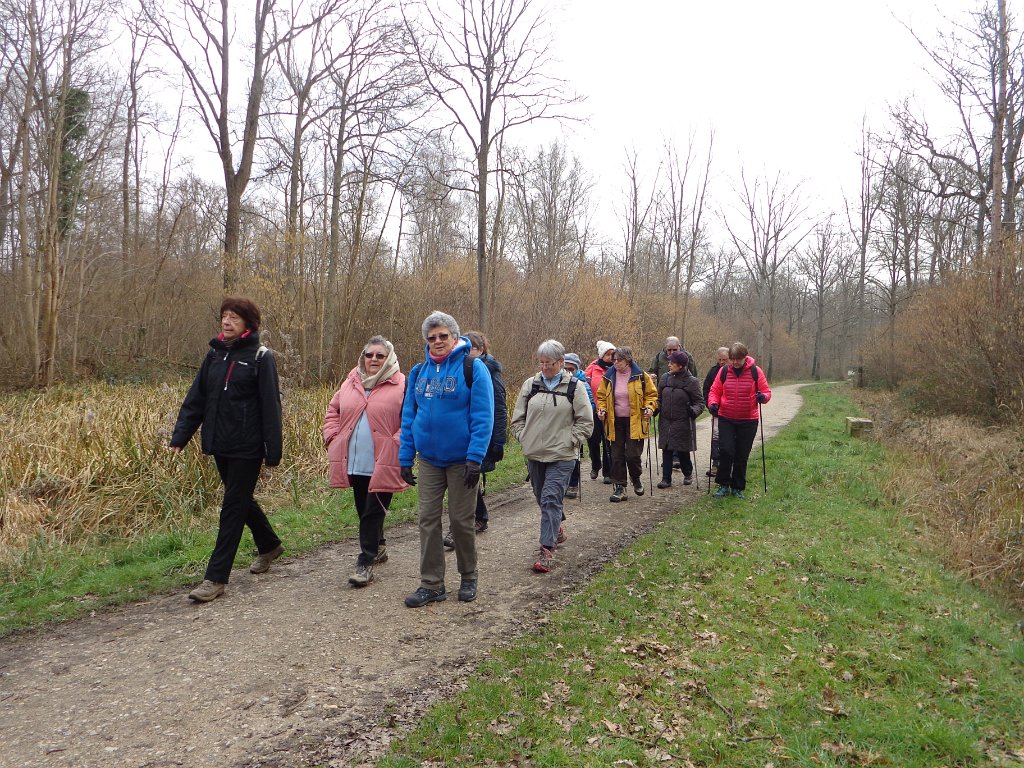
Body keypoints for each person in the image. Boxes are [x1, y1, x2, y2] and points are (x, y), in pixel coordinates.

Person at [170, 297, 284, 603]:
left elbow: (271, 407)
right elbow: (197, 398)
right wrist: (180, 436)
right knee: (240, 499)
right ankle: (269, 544)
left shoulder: (261, 358)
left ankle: (216, 578)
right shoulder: (215, 355)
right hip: (219, 443)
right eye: (224, 316)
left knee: (232, 507)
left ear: (249, 323)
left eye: (233, 317)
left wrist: (273, 450)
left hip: (248, 446)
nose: (226, 322)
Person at [399, 311, 494, 607]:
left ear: (454, 336)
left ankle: (468, 575)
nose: (438, 341)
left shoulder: (472, 368)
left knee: (460, 520)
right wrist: (405, 457)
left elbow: (483, 416)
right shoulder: (419, 372)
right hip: (429, 459)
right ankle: (432, 584)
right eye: (432, 337)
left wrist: (475, 458)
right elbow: (409, 416)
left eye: (443, 335)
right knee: (427, 519)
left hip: (461, 460)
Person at [323, 335, 409, 588]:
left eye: (380, 355)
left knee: (373, 510)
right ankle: (378, 546)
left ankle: (365, 562)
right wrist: (333, 437)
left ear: (389, 358)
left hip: (385, 459)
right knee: (363, 508)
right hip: (354, 459)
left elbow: (411, 419)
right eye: (369, 355)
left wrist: (397, 443)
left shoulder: (401, 384)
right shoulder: (351, 382)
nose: (373, 359)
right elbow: (333, 410)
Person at [510, 340, 594, 573]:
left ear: (561, 362)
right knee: (542, 497)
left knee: (550, 499)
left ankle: (546, 550)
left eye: (549, 363)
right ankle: (556, 529)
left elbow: (586, 422)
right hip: (534, 453)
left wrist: (570, 441)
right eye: (541, 362)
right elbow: (517, 419)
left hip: (562, 455)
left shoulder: (575, 387)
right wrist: (524, 437)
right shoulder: (531, 385)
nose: (544, 367)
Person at [707, 342, 771, 499]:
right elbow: (714, 391)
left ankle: (737, 487)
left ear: (745, 357)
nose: (735, 362)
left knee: (742, 455)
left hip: (748, 420)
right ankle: (723, 485)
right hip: (726, 418)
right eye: (732, 359)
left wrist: (762, 397)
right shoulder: (723, 371)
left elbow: (766, 392)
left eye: (738, 359)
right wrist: (713, 403)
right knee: (726, 451)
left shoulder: (756, 371)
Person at [595, 346, 658, 502]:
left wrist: (650, 408)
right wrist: (601, 409)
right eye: (614, 360)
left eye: (619, 360)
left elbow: (652, 395)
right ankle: (620, 487)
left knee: (632, 455)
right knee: (616, 456)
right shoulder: (608, 376)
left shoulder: (641, 376)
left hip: (635, 420)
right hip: (614, 421)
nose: (616, 363)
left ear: (628, 360)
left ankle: (635, 477)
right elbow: (601, 397)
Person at [656, 350, 704, 488]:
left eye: (672, 363)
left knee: (682, 450)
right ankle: (666, 479)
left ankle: (687, 473)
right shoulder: (664, 378)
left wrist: (693, 411)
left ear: (681, 365)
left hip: (683, 421)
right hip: (665, 420)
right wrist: (654, 408)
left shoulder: (692, 381)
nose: (669, 365)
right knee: (666, 449)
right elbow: (658, 398)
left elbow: (700, 403)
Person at [561, 352, 595, 499]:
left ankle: (573, 484)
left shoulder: (583, 384)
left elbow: (591, 405)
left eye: (571, 369)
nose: (568, 372)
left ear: (577, 369)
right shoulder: (558, 383)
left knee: (574, 456)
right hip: (561, 425)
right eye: (565, 368)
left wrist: (581, 418)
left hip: (576, 426)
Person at [584, 340, 616, 484]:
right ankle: (595, 465)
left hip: (611, 411)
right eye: (607, 354)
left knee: (608, 441)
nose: (610, 357)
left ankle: (608, 472)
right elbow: (583, 384)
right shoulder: (592, 368)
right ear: (601, 355)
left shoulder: (617, 368)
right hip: (594, 410)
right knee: (593, 440)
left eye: (612, 354)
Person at [702, 347, 730, 477]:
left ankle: (728, 464)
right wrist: (710, 405)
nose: (722, 362)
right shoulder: (713, 371)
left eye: (724, 360)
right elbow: (706, 389)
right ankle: (716, 464)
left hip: (732, 411)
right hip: (717, 410)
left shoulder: (735, 371)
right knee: (716, 436)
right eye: (720, 360)